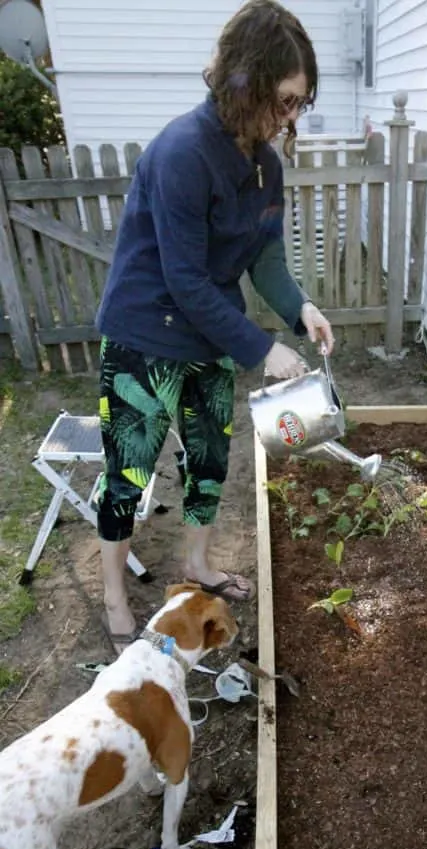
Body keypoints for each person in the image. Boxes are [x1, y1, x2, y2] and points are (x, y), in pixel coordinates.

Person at [95, 0, 334, 653]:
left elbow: (264, 258)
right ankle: (114, 595)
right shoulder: (181, 154)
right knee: (130, 473)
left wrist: (299, 311)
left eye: (299, 104)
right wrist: (261, 349)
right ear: (246, 81)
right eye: (282, 100)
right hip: (144, 335)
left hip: (207, 334)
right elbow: (185, 278)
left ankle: (197, 566)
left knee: (206, 465)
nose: (289, 117)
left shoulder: (266, 166)